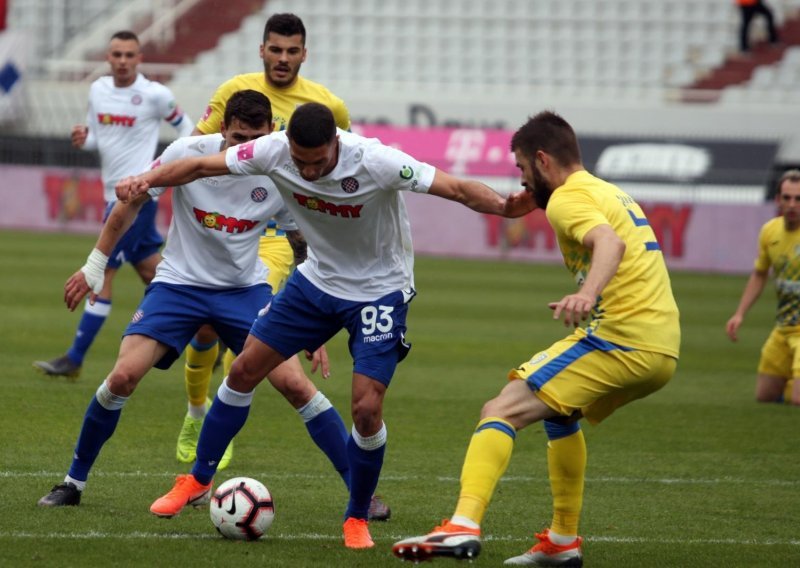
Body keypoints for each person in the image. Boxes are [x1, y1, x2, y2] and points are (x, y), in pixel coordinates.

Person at [113, 102, 535, 549]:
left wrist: (507, 208)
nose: (308, 173)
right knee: (243, 370)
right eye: (300, 162)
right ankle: (198, 479)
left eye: (317, 162)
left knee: (366, 409)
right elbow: (197, 164)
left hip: (379, 290)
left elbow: (455, 188)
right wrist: (146, 179)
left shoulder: (376, 160)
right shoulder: (272, 151)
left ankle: (356, 516)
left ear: (336, 142)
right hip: (316, 282)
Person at [392, 111, 681, 565]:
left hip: (620, 338)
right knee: (560, 417)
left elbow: (610, 243)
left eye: (524, 171)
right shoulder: (606, 190)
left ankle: (462, 525)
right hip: (660, 345)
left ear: (543, 161)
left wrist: (586, 294)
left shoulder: (568, 198)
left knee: (501, 408)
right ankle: (563, 542)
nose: (523, 182)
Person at [36, 89, 337, 509]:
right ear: (222, 131)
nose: (243, 147)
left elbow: (302, 244)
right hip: (178, 286)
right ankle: (73, 482)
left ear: (270, 133)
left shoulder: (280, 172)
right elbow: (131, 201)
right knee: (122, 377)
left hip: (243, 292)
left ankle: (362, 495)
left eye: (253, 138)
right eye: (235, 138)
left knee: (294, 384)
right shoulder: (187, 152)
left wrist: (313, 317)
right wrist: (95, 263)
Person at [175, 12, 357, 486]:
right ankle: (199, 412)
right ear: (262, 50)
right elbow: (198, 151)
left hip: (276, 235)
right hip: (227, 226)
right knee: (207, 331)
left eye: (291, 50)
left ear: (304, 53)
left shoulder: (326, 106)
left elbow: (342, 167)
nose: (282, 58)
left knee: (253, 337)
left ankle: (219, 423)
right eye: (274, 49)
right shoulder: (234, 90)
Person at [33, 30, 193, 378]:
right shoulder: (98, 90)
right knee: (154, 271)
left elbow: (189, 130)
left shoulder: (154, 95)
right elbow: (96, 136)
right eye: (116, 55)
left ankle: (74, 358)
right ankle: (208, 326)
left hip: (136, 197)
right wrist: (85, 138)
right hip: (112, 194)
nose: (122, 61)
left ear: (139, 58)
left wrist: (159, 172)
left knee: (102, 271)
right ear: (108, 58)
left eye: (129, 55)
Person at [726, 169, 800, 406]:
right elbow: (760, 274)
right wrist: (740, 313)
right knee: (765, 396)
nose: (792, 204)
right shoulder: (770, 231)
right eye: (787, 198)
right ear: (777, 199)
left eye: (798, 199)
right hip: (783, 327)